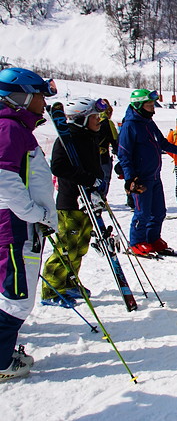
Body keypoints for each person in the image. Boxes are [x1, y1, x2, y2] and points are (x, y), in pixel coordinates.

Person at [0, 67, 57, 382]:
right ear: (21, 96)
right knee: (17, 298)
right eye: (39, 95)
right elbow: (4, 177)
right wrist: (34, 213)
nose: (44, 102)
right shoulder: (9, 128)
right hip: (15, 227)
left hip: (20, 224)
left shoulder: (17, 127)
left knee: (12, 291)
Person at [41, 98, 107, 308]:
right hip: (70, 202)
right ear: (82, 119)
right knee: (66, 248)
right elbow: (58, 167)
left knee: (80, 248)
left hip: (87, 201)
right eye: (95, 117)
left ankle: (69, 281)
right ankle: (52, 289)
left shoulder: (90, 137)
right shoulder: (67, 140)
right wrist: (87, 179)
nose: (99, 120)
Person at [117, 89, 177, 256]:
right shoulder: (129, 125)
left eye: (153, 104)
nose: (153, 108)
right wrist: (130, 177)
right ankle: (137, 242)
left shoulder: (148, 122)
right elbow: (124, 153)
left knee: (159, 212)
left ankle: (152, 239)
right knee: (142, 213)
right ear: (138, 106)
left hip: (154, 176)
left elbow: (162, 142)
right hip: (140, 178)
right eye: (149, 105)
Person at [97, 100, 118, 199]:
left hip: (91, 156)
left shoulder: (92, 120)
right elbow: (114, 139)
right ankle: (101, 197)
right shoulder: (108, 123)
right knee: (105, 178)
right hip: (104, 156)